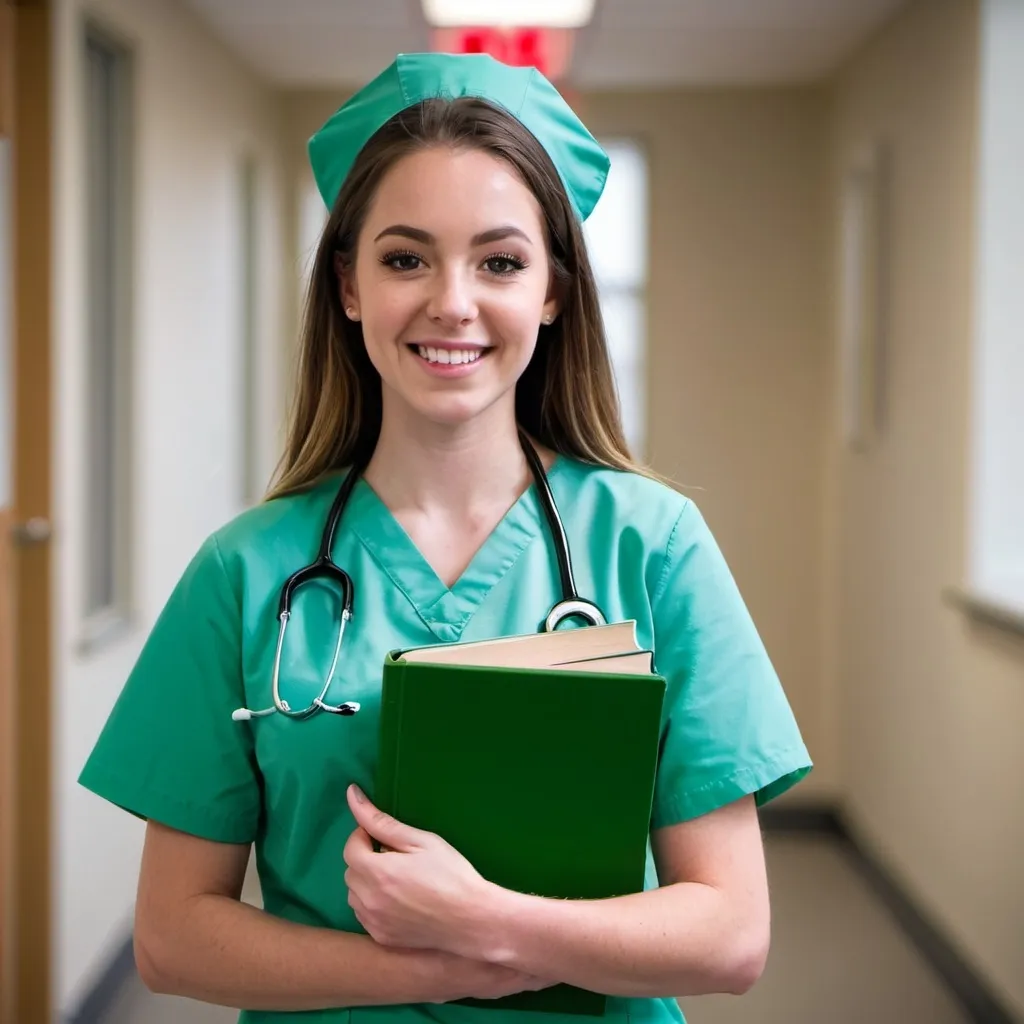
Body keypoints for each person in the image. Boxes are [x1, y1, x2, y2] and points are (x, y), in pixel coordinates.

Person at [79, 52, 812, 1024]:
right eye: (404, 257)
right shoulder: (245, 571)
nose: (452, 301)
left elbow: (728, 936)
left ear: (553, 290)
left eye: (500, 261)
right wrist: (433, 968)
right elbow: (172, 935)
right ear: (347, 286)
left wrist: (488, 919)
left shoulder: (652, 544)